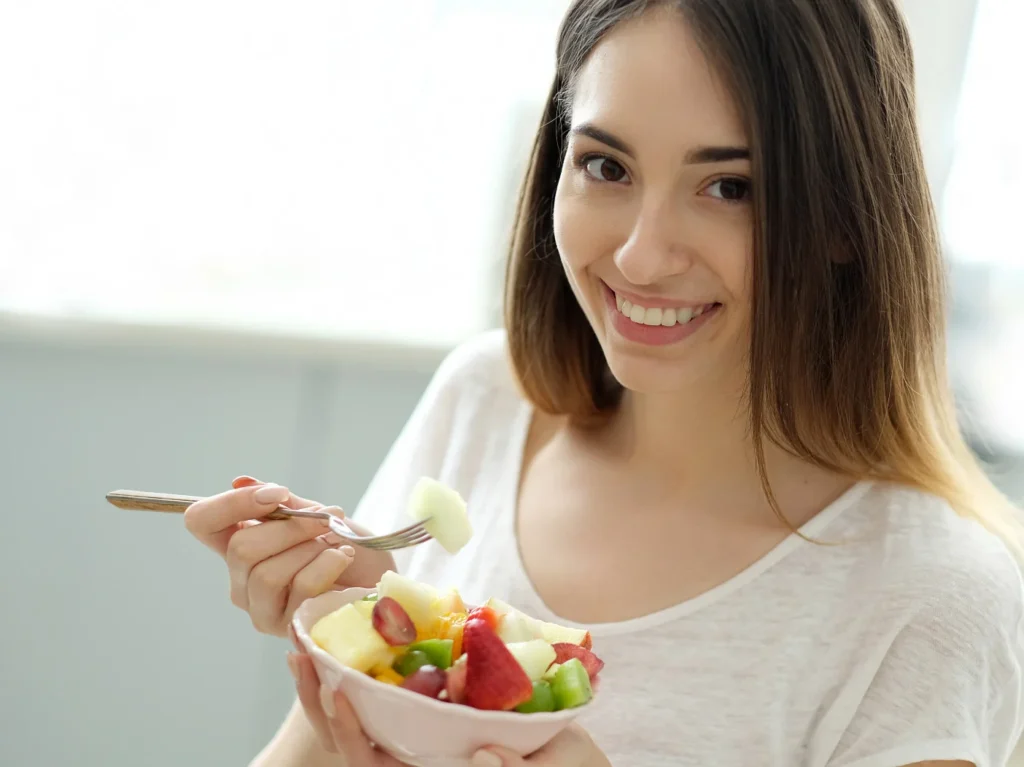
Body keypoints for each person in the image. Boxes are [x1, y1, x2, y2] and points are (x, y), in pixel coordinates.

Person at [184, 0, 1024, 765]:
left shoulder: (935, 601)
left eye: (730, 187)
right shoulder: (487, 399)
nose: (640, 256)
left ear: (846, 218)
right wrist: (355, 653)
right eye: (607, 168)